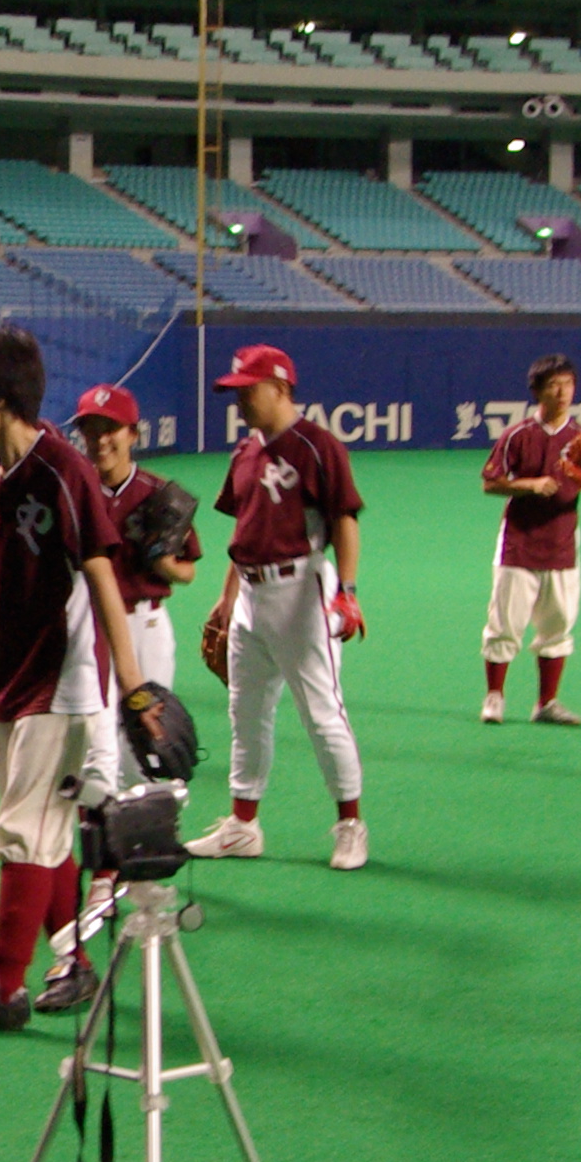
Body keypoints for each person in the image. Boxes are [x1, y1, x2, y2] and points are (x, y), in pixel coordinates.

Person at [0, 330, 146, 1033]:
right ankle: (70, 961)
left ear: (0, 401)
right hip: (10, 676)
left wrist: (134, 687)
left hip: (61, 679)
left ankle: (3, 988)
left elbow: (101, 572)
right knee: (42, 836)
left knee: (23, 832)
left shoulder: (61, 470)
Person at [189, 345, 370, 871]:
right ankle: (243, 826)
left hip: (301, 590)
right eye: (235, 392)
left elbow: (344, 519)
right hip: (249, 593)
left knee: (322, 713)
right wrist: (226, 599)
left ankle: (351, 825)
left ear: (281, 388)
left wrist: (348, 591)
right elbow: (243, 528)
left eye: (248, 390)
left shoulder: (318, 446)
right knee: (246, 711)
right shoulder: (244, 452)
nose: (240, 400)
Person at [71, 382, 199, 806]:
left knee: (148, 741)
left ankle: (154, 831)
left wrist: (162, 561)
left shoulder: (157, 494)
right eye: (91, 430)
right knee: (94, 741)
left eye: (110, 429)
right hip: (87, 629)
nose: (100, 440)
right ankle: (107, 835)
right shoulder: (73, 491)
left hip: (144, 627)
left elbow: (189, 571)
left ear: (133, 434)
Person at [479, 354, 581, 727]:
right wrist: (529, 485)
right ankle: (494, 696)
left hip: (562, 544)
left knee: (558, 625)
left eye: (568, 384)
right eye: (553, 385)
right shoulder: (518, 435)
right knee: (505, 623)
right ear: (537, 392)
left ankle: (547, 703)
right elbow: (490, 483)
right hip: (519, 543)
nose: (562, 392)